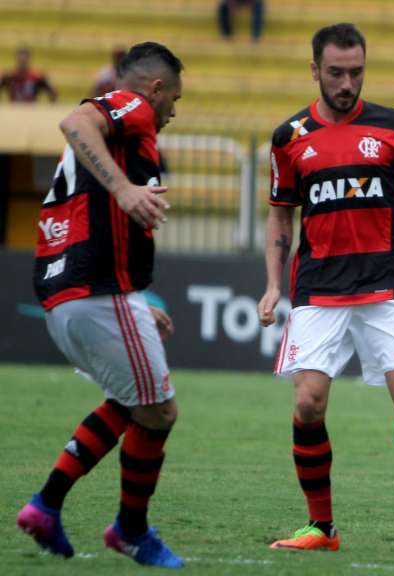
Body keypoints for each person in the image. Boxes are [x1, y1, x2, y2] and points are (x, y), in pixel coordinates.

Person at [257, 23, 394, 555]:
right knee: (307, 405)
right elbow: (280, 218)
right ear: (315, 71)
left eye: (355, 72)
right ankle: (321, 528)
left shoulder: (392, 125)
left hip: (384, 285)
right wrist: (270, 286)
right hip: (319, 288)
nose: (347, 82)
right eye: (336, 73)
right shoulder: (289, 138)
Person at [15, 42, 185, 568]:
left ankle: (46, 505)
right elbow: (72, 120)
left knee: (130, 400)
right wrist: (126, 189)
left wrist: (133, 298)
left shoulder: (114, 136)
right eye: (174, 99)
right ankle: (130, 530)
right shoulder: (130, 107)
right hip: (95, 292)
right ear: (153, 89)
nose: (174, 111)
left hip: (69, 294)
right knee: (158, 410)